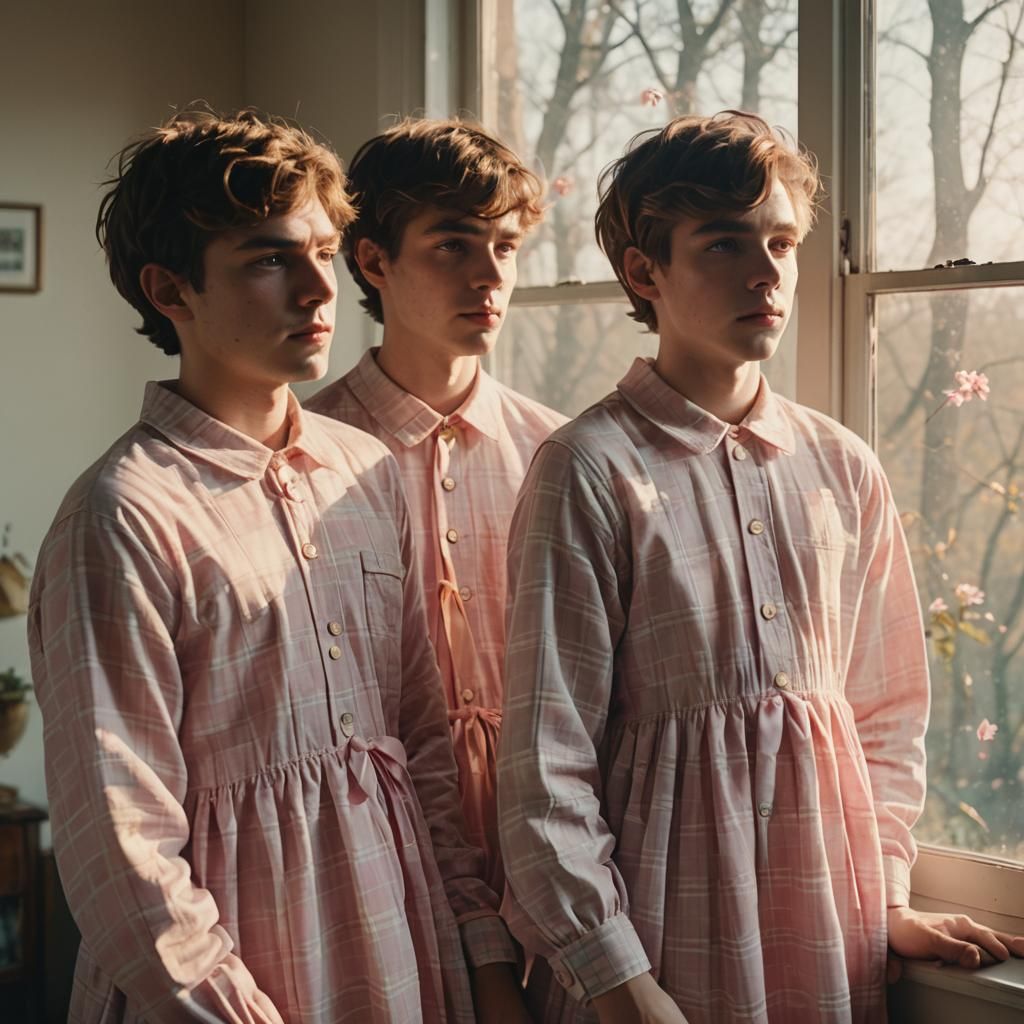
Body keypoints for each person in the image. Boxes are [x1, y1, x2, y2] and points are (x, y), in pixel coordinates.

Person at [496, 111, 1024, 1024]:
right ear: (643, 272)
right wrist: (616, 980)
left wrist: (886, 892)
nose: (767, 270)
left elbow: (887, 713)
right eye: (724, 244)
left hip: (824, 935)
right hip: (652, 948)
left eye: (781, 240)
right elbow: (545, 770)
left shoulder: (841, 465)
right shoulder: (589, 469)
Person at [28, 106, 519, 1024]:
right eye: (267, 259)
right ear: (170, 290)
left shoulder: (364, 471)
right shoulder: (122, 514)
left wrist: (481, 951)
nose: (316, 290)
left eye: (323, 253)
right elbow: (118, 846)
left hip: (398, 951)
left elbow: (423, 749)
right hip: (228, 975)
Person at [307, 118, 566, 899]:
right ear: (375, 260)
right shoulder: (314, 452)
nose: (488, 275)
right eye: (453, 245)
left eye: (506, 247)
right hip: (371, 834)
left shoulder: (555, 450)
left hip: (540, 829)